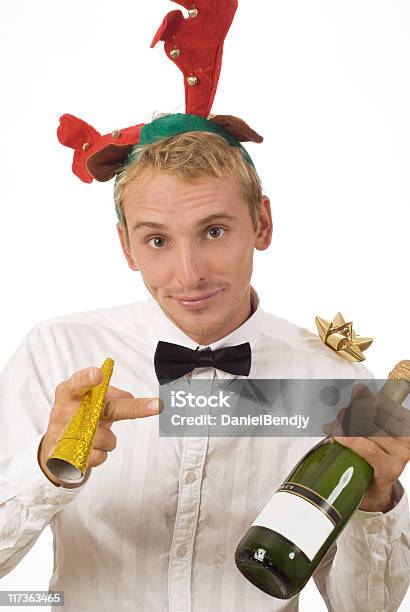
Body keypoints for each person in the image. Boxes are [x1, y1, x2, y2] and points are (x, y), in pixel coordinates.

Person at [0, 120, 409, 612]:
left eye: (213, 231)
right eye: (157, 241)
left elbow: (367, 608)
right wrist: (47, 466)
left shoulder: (339, 383)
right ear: (126, 245)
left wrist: (376, 505)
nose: (189, 274)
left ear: (262, 224)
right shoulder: (58, 350)